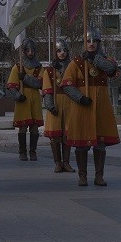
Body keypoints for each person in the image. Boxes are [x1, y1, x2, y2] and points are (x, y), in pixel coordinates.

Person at [61, 28, 120, 186]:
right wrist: (80, 98)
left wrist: (95, 58)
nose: (91, 43)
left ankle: (99, 176)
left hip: (101, 108)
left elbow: (112, 69)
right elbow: (66, 85)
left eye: (94, 41)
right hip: (82, 108)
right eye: (88, 41)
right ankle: (82, 176)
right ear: (84, 43)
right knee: (81, 144)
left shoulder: (106, 59)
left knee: (100, 143)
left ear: (99, 43)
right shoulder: (76, 63)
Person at [6, 38, 44, 161]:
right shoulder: (17, 67)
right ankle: (22, 152)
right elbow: (11, 86)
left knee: (34, 127)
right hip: (23, 100)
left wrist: (26, 78)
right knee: (23, 127)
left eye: (32, 50)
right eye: (28, 50)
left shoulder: (39, 67)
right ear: (24, 52)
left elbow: (40, 83)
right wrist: (18, 96)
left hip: (35, 100)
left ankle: (33, 151)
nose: (30, 53)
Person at [42, 38, 76, 173]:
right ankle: (57, 163)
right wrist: (50, 105)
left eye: (64, 50)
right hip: (55, 104)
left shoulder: (72, 68)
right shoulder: (49, 71)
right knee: (55, 136)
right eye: (58, 50)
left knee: (67, 135)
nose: (62, 53)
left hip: (69, 103)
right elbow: (47, 89)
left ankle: (66, 162)